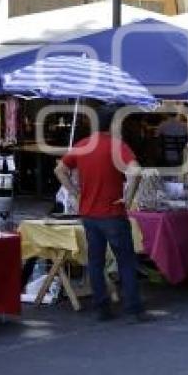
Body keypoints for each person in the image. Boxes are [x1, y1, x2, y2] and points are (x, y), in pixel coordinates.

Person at [54, 106, 148, 322]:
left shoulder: (81, 146)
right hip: (113, 213)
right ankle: (132, 309)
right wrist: (129, 198)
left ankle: (102, 308)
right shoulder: (117, 146)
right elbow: (135, 170)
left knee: (95, 262)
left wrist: (76, 193)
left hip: (89, 213)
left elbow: (59, 170)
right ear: (114, 124)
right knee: (125, 260)